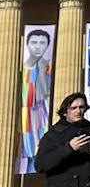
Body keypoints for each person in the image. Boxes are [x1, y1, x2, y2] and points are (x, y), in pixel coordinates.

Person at [34, 92, 90, 187]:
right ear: (65, 112)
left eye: (81, 107)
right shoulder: (54, 134)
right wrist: (68, 148)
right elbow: (40, 165)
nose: (78, 111)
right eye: (74, 108)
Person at [20, 28, 53, 173]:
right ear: (27, 44)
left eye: (42, 43)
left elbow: (41, 95)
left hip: (40, 121)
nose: (38, 46)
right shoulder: (23, 69)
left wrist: (40, 68)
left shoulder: (47, 68)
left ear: (47, 45)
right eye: (34, 42)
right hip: (24, 121)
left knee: (36, 158)